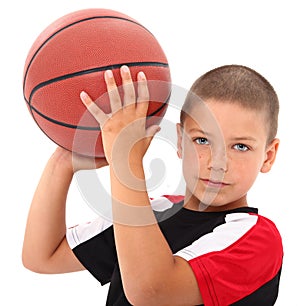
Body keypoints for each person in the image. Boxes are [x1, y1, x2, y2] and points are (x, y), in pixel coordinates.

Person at [22, 64, 283, 305]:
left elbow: (151, 291)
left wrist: (126, 160)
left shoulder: (258, 240)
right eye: (202, 140)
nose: (218, 162)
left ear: (268, 156)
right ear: (180, 142)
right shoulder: (155, 212)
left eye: (240, 146)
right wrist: (62, 162)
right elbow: (43, 256)